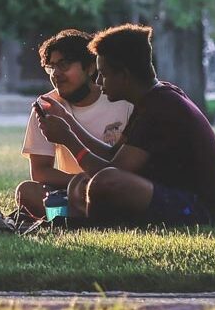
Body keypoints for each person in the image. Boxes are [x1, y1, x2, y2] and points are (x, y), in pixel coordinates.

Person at [34, 23, 215, 227]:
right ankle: (88, 222)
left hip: (199, 211)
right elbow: (113, 155)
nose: (99, 82)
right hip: (166, 194)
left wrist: (68, 139)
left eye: (104, 74)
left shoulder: (162, 107)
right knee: (79, 182)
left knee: (105, 181)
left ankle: (88, 224)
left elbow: (112, 171)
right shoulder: (150, 101)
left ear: (124, 75)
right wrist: (69, 123)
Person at [13, 28, 133, 224]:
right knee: (26, 191)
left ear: (90, 68)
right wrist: (82, 184)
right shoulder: (46, 106)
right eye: (51, 67)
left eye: (64, 65)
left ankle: (80, 218)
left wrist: (98, 184)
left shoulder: (121, 100)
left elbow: (128, 165)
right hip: (69, 192)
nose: (56, 74)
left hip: (115, 188)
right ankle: (91, 218)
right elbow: (40, 172)